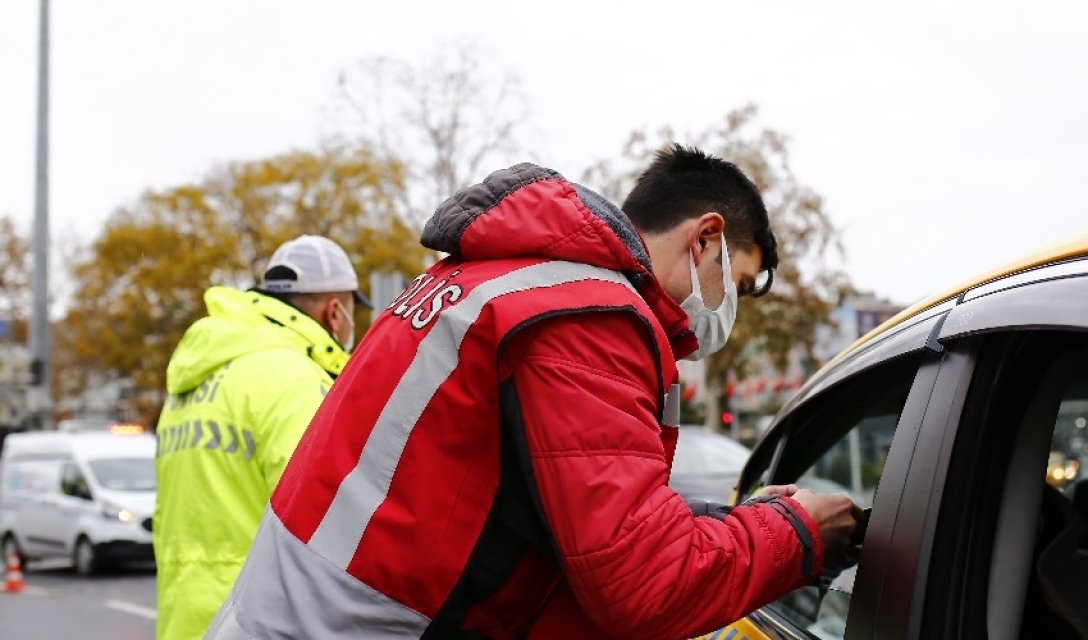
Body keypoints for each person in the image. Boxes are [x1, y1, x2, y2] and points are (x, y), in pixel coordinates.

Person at [206, 147, 860, 640]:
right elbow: (641, 584)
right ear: (707, 238)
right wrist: (798, 534)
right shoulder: (587, 317)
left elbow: (559, 519)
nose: (729, 310)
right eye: (737, 285)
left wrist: (728, 524)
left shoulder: (493, 278)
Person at [153, 235, 368, 640]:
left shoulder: (193, 381)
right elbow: (325, 524)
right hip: (258, 623)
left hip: (184, 619)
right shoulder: (297, 380)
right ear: (335, 311)